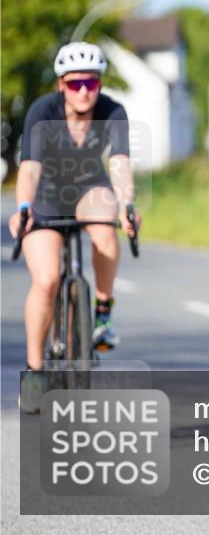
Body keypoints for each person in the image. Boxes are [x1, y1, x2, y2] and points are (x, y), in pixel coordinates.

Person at [9, 41, 140, 413]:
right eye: (74, 84)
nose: (83, 91)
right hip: (48, 191)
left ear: (100, 84)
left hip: (88, 185)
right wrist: (22, 207)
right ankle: (35, 371)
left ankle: (102, 312)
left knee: (104, 225)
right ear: (61, 85)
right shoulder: (42, 111)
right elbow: (30, 167)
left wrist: (127, 204)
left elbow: (118, 162)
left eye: (91, 84)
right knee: (47, 279)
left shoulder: (113, 112)